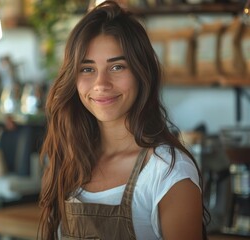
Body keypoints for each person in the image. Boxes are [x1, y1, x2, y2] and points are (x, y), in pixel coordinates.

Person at [38, 1, 209, 239]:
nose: (101, 84)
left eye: (117, 67)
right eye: (87, 69)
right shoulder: (68, 161)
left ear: (142, 73)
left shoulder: (167, 172)